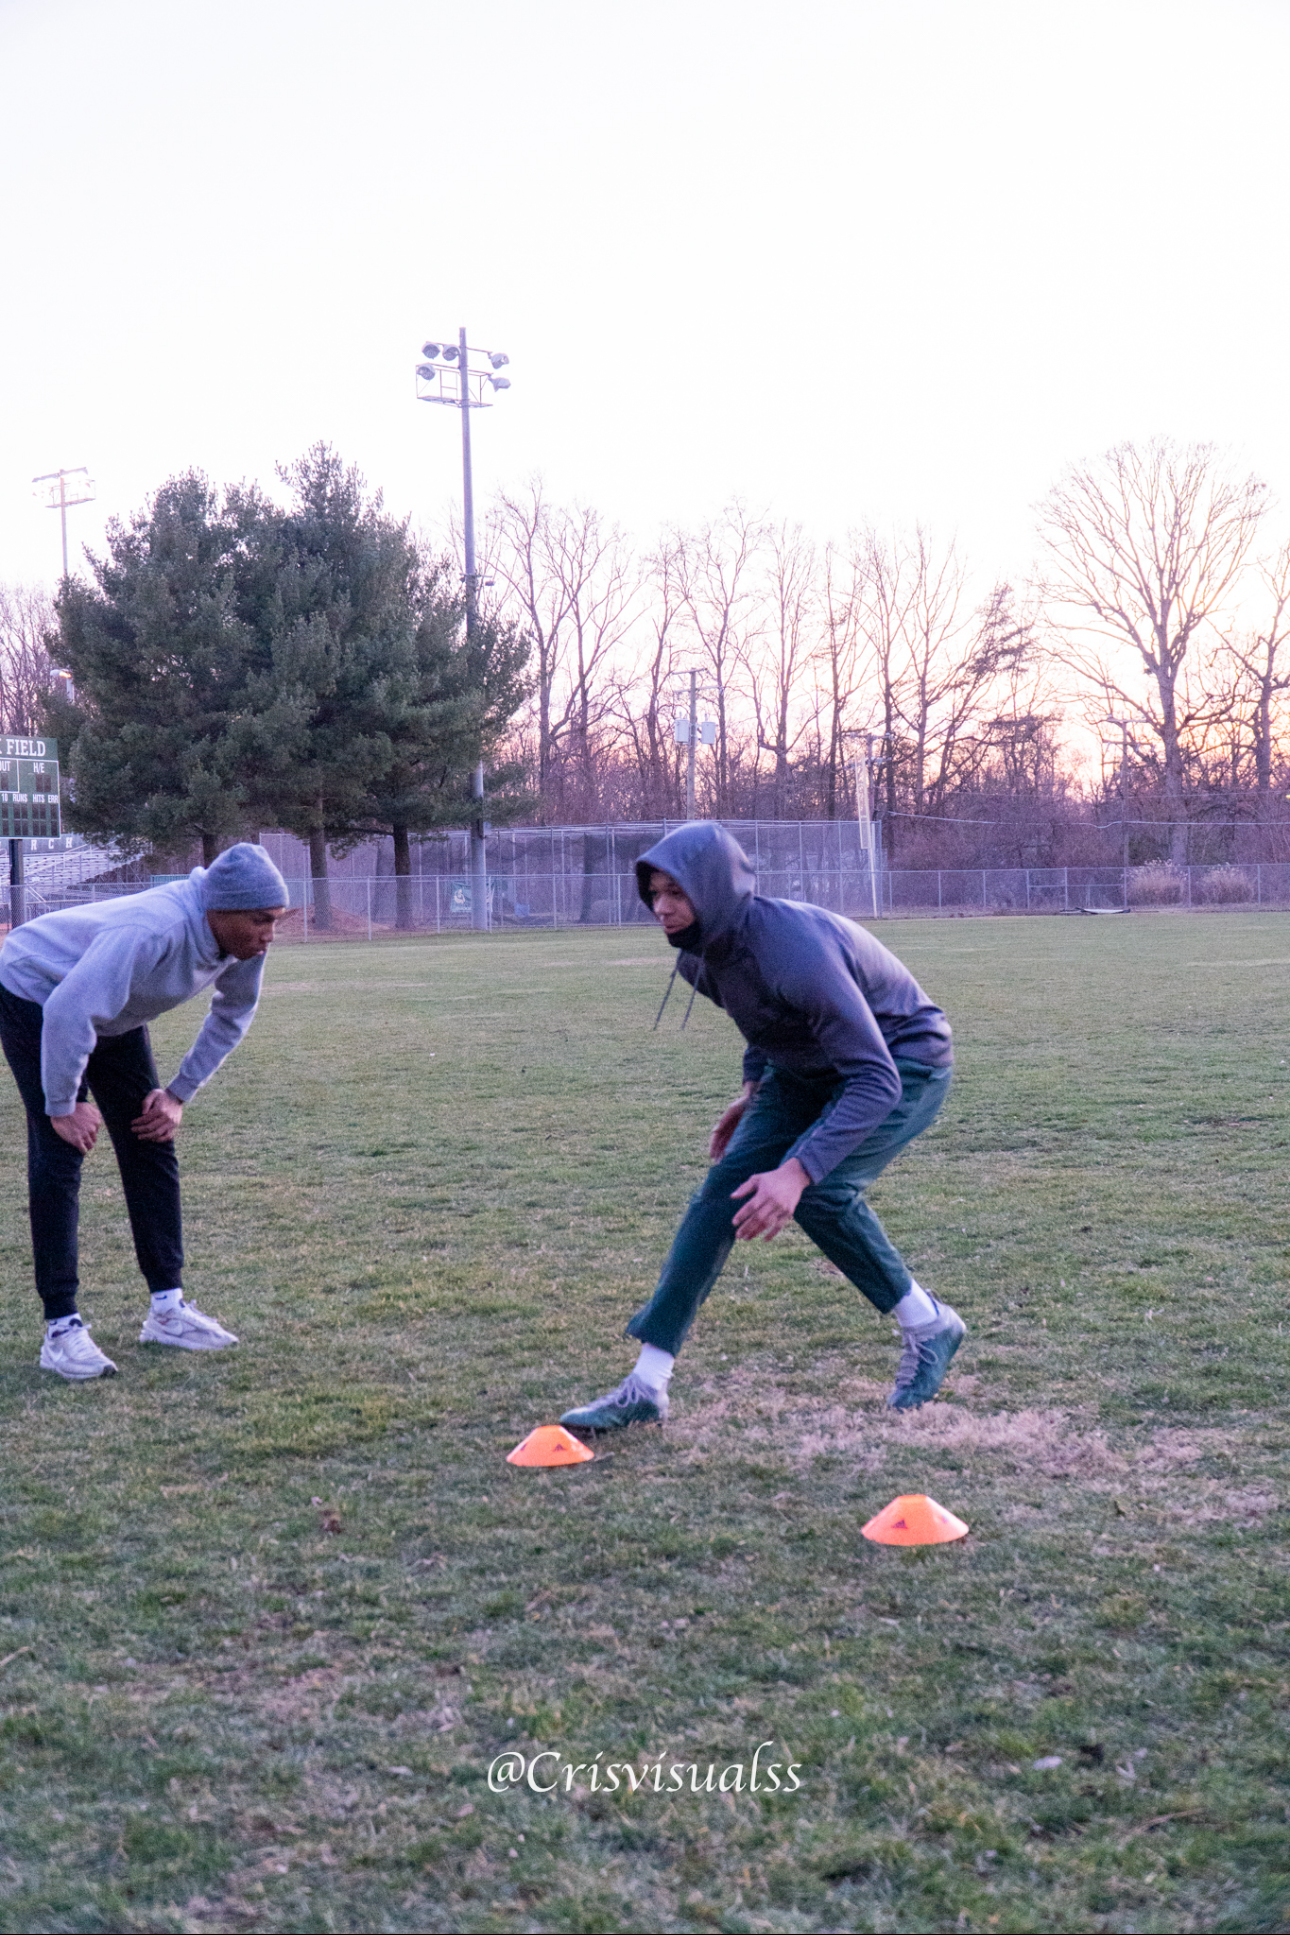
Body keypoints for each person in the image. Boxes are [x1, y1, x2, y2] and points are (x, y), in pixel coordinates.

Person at [561, 823, 963, 1432]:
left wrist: (797, 1171)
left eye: (677, 892)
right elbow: (763, 1024)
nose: (661, 907)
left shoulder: (794, 950)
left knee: (822, 1192)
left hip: (902, 1061)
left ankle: (929, 1324)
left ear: (715, 889)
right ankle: (646, 1386)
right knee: (719, 1198)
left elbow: (874, 1075)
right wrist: (751, 1093)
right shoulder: (699, 957)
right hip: (802, 1071)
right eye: (654, 893)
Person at [0, 842, 288, 1380]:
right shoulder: (154, 929)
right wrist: (64, 1106)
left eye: (275, 920)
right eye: (260, 921)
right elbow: (68, 1009)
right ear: (218, 911)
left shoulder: (242, 940)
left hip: (109, 1011)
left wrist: (177, 1094)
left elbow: (232, 1014)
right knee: (61, 1148)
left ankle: (168, 1310)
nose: (270, 933)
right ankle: (61, 1329)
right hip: (36, 989)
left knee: (150, 1135)